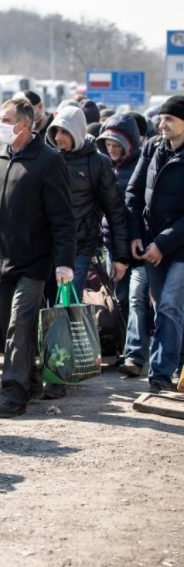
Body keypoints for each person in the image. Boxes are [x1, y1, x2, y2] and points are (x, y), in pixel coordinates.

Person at [0, 97, 76, 418]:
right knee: (8, 326)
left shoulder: (49, 160)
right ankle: (32, 378)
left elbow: (63, 218)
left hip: (34, 262)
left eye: (8, 119)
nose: (2, 124)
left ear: (26, 125)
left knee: (19, 325)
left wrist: (64, 261)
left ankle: (13, 395)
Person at [42, 105, 130, 399]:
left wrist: (120, 256)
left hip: (79, 246)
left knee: (66, 306)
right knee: (42, 304)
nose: (60, 137)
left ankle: (59, 374)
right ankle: (40, 365)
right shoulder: (45, 157)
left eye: (66, 132)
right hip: (43, 245)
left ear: (78, 132)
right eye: (56, 131)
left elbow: (115, 210)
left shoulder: (97, 163)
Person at [125, 95, 184, 392]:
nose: (162, 123)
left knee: (171, 306)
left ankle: (160, 374)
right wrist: (137, 234)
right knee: (164, 308)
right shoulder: (152, 148)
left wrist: (163, 242)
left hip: (179, 249)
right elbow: (134, 194)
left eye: (170, 118)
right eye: (161, 118)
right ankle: (176, 364)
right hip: (152, 246)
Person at [97, 114, 151, 378]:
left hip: (138, 245)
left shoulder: (145, 165)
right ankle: (125, 349)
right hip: (112, 246)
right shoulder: (105, 166)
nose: (112, 149)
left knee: (137, 299)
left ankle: (135, 355)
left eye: (117, 144)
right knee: (119, 300)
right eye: (108, 144)